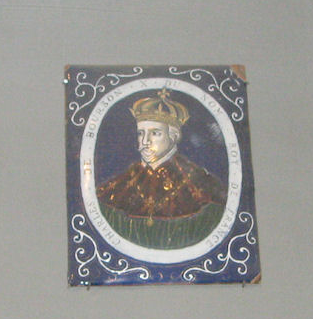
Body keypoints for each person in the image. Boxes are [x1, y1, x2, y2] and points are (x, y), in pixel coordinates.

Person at [96, 89, 226, 250]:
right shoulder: (118, 187)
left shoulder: (200, 186)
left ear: (173, 136)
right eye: (141, 133)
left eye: (155, 133)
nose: (145, 141)